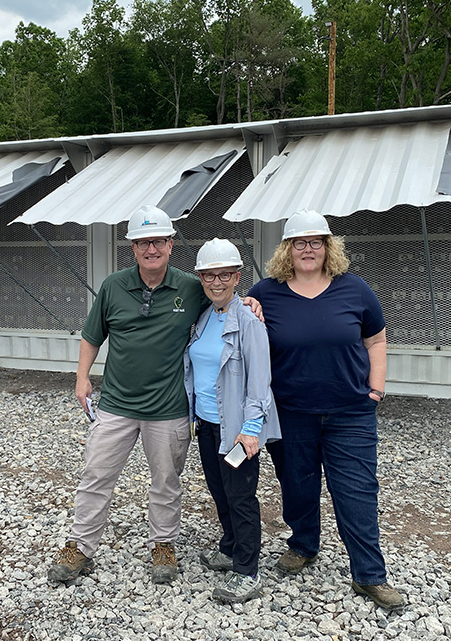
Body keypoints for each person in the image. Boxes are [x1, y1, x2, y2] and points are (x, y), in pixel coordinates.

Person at [247, 209, 405, 610]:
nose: (308, 249)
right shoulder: (266, 292)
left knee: (357, 491)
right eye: (299, 242)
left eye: (316, 242)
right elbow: (242, 329)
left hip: (350, 412)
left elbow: (377, 340)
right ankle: (304, 544)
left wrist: (377, 387)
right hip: (291, 412)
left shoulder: (354, 289)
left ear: (328, 246)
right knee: (297, 486)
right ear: (287, 249)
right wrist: (246, 305)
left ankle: (369, 574)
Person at [47, 205, 211, 585]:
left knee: (166, 481)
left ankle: (163, 545)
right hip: (116, 405)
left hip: (169, 408)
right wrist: (82, 378)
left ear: (171, 244)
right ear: (133, 249)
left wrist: (250, 302)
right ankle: (81, 547)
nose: (150, 248)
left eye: (157, 241)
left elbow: (224, 303)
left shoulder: (191, 287)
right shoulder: (113, 286)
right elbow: (92, 335)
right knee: (95, 475)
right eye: (142, 243)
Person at [183, 239, 280, 604]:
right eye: (210, 275)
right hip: (207, 425)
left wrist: (252, 428)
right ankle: (229, 546)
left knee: (241, 498)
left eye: (225, 274)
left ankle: (247, 570)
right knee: (219, 492)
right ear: (201, 278)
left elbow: (260, 380)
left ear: (238, 276)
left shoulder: (249, 321)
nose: (217, 281)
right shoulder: (206, 316)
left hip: (237, 429)